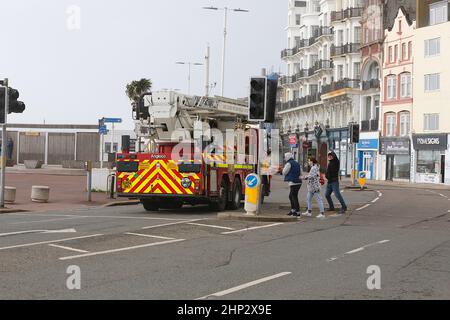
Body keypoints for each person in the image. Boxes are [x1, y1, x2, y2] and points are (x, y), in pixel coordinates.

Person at [282, 152, 302, 216]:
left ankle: (297, 211)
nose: (285, 158)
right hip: (298, 182)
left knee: (293, 196)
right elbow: (300, 172)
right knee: (291, 196)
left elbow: (284, 172)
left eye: (285, 157)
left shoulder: (289, 163)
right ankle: (293, 210)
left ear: (287, 157)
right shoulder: (297, 163)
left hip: (293, 182)